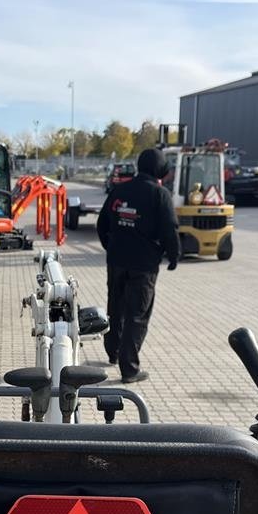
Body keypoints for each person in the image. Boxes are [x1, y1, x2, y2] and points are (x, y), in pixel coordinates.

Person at [96, 148, 180, 383]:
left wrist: (111, 247)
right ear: (161, 169)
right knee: (137, 315)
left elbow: (102, 224)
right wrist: (173, 257)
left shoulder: (119, 190)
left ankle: (113, 353)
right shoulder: (160, 194)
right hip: (143, 266)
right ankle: (129, 369)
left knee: (116, 307)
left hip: (116, 261)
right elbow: (169, 230)